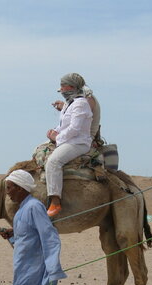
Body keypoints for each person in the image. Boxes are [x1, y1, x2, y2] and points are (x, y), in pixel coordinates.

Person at [45, 73, 94, 217]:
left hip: (78, 143)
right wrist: (54, 132)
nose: (61, 89)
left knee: (53, 162)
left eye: (62, 86)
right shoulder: (69, 103)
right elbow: (63, 125)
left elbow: (75, 128)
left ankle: (55, 201)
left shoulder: (81, 103)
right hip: (67, 140)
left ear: (71, 87)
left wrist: (57, 138)